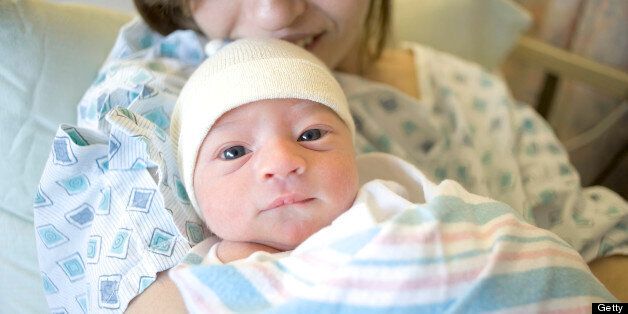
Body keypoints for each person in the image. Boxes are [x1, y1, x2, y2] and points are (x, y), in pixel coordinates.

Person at [33, 0, 626, 312]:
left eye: (312, 135)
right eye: (236, 151)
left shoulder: (471, 91)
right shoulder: (160, 100)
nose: (274, 14)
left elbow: (599, 259)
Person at [171, 38, 360, 262]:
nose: (281, 162)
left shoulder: (389, 202)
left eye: (311, 135)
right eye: (235, 152)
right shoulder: (212, 280)